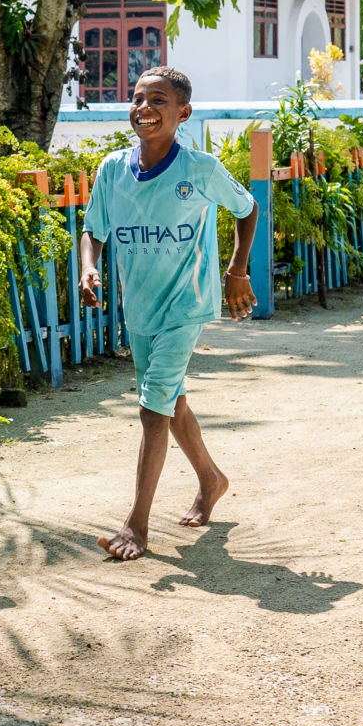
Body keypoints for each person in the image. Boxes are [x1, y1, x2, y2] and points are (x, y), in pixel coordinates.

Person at [76, 65, 257, 562]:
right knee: (170, 400)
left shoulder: (199, 169)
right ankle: (211, 479)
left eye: (159, 101)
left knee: (151, 408)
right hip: (141, 309)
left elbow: (246, 209)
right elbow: (93, 228)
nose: (145, 109)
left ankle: (137, 524)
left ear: (183, 113)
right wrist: (88, 269)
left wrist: (237, 270)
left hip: (186, 305)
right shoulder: (113, 168)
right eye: (138, 99)